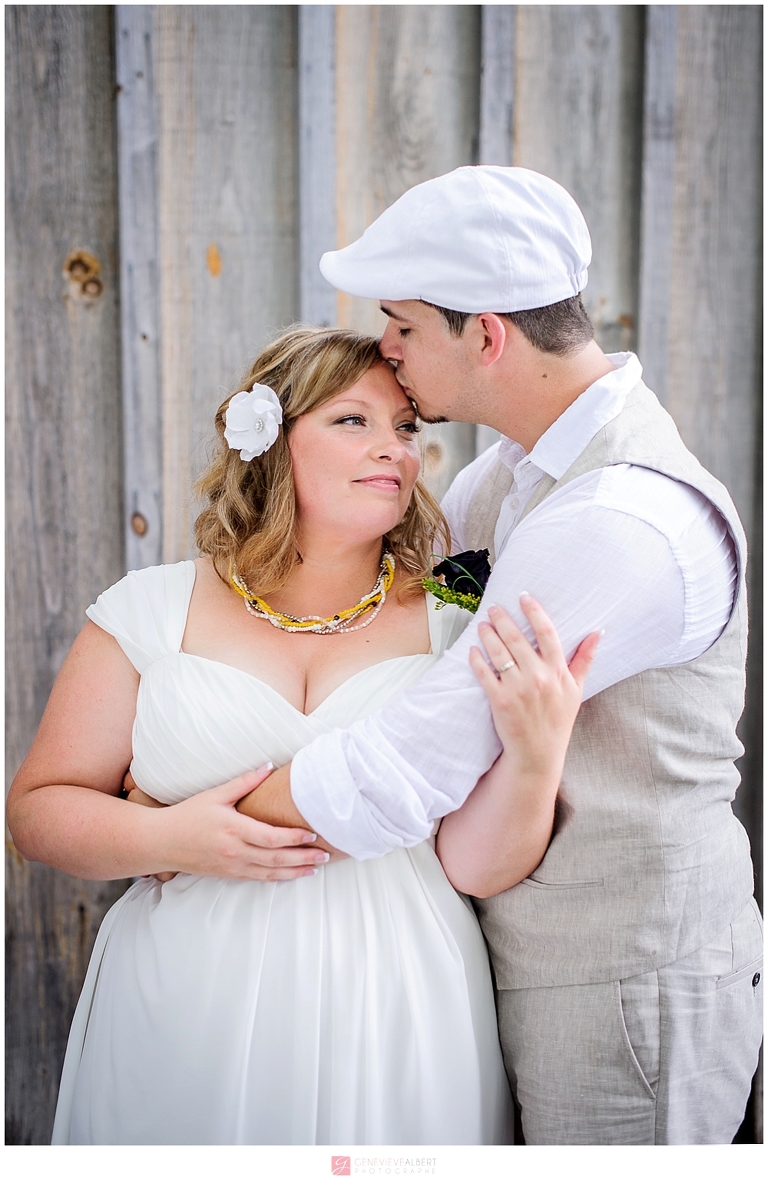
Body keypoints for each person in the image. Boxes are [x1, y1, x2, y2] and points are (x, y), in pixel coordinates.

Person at [231, 167, 763, 1145]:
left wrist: (186, 813)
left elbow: (411, 760)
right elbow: (391, 622)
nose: (385, 348)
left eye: (402, 323)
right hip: (504, 959)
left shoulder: (617, 515)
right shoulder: (508, 478)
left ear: (486, 334)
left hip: (619, 988)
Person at [7, 326, 597, 1145]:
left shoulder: (459, 608)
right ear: (271, 443)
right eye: (353, 421)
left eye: (406, 428)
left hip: (402, 994)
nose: (392, 449)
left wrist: (536, 756)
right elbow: (35, 814)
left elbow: (478, 863)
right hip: (185, 999)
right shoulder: (151, 606)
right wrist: (169, 835)